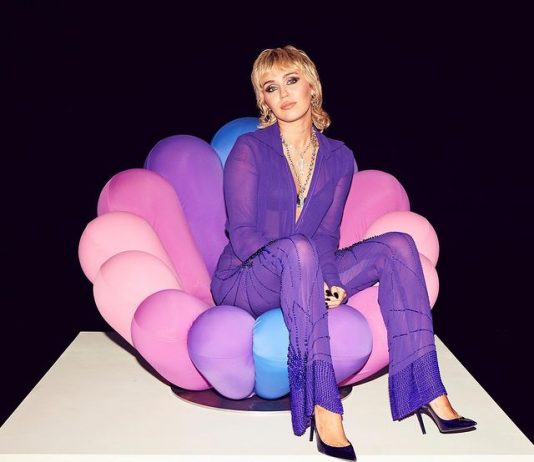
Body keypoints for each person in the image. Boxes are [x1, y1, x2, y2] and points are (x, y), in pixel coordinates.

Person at [210, 45, 477, 461]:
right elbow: (242, 235)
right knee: (298, 250)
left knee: (397, 246)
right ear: (263, 100)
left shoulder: (339, 158)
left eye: (291, 80)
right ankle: (323, 403)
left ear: (312, 86)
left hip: (307, 265)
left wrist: (329, 282)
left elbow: (325, 236)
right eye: (271, 87)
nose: (283, 93)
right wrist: (303, 273)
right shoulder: (250, 148)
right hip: (247, 278)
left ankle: (426, 389)